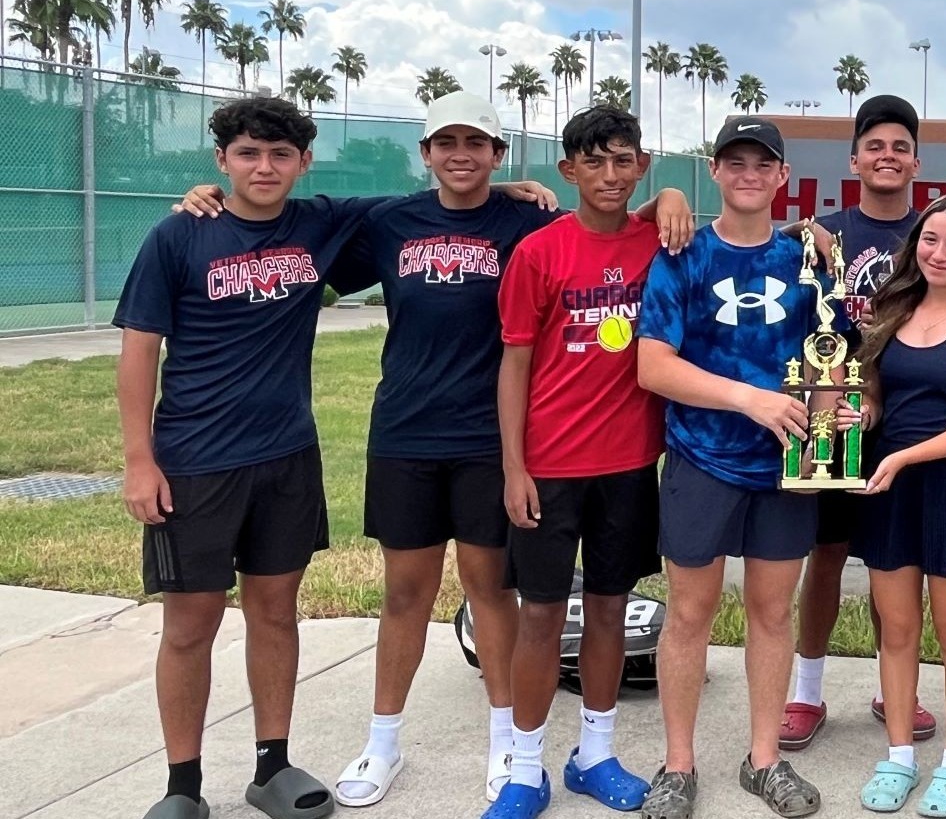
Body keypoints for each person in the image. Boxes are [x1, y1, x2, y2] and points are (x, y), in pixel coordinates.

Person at [169, 94, 691, 809]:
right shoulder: (388, 220)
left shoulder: (527, 219)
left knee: (493, 593)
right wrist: (208, 198)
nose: (460, 154)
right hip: (405, 433)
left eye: (476, 142)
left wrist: (667, 193)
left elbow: (609, 203)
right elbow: (287, 218)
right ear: (426, 152)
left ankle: (511, 747)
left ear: (499, 153)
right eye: (446, 141)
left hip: (489, 440)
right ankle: (383, 741)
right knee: (405, 595)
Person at [118, 96, 376, 819]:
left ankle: (272, 766)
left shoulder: (318, 224)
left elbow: (436, 202)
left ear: (303, 162)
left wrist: (513, 191)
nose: (264, 167)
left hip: (287, 456)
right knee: (191, 625)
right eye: (248, 153)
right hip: (195, 463)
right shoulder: (178, 236)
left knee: (275, 613)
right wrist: (140, 460)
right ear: (221, 160)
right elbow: (139, 352)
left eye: (280, 154)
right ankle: (182, 787)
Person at [635, 116, 823, 819]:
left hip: (786, 464)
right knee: (690, 614)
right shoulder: (683, 254)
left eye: (762, 163)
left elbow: (836, 348)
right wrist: (749, 398)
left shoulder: (810, 259)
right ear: (714, 171)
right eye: (734, 162)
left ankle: (764, 759)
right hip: (702, 458)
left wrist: (844, 411)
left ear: (781, 176)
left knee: (773, 613)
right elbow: (653, 366)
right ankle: (678, 765)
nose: (748, 174)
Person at [488, 105, 671, 819]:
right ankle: (525, 771)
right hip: (550, 467)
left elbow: (692, 221)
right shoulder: (540, 252)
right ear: (567, 171)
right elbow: (513, 363)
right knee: (539, 617)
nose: (609, 174)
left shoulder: (658, 241)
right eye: (593, 162)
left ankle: (593, 754)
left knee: (609, 608)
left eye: (623, 160)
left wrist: (675, 200)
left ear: (642, 166)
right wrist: (513, 466)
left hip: (628, 465)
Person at [835, 195, 946, 817]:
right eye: (931, 240)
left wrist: (905, 457)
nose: (940, 253)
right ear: (916, 246)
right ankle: (900, 757)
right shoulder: (891, 309)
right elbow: (879, 400)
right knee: (898, 631)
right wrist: (863, 417)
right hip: (890, 488)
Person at [784, 94, 937, 752]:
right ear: (854, 159)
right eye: (875, 145)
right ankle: (806, 691)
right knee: (826, 555)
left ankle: (896, 688)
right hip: (833, 408)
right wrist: (798, 233)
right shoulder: (825, 232)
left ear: (915, 162)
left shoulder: (934, 233)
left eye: (899, 146)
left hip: (910, 409)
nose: (887, 156)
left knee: (897, 558)